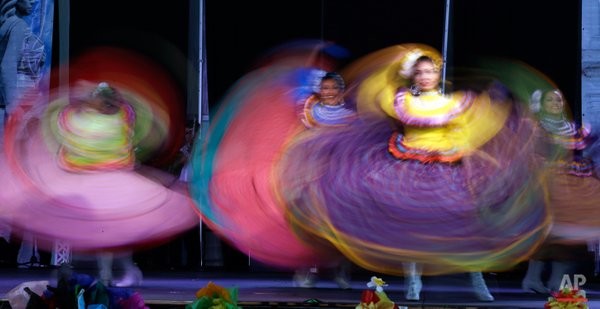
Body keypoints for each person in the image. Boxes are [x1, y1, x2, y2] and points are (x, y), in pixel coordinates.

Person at [276, 45, 548, 302]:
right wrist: (396, 62)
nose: (425, 76)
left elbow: (476, 125)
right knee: (410, 222)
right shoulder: (403, 99)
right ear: (413, 75)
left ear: (438, 74)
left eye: (429, 71)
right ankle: (413, 280)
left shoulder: (453, 102)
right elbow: (375, 94)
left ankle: (476, 279)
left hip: (445, 168)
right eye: (419, 72)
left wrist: (462, 141)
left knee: (464, 223)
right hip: (409, 166)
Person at [521, 88, 598, 293]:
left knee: (565, 236)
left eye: (559, 100)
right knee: (545, 233)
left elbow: (580, 151)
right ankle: (532, 279)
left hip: (568, 187)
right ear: (543, 104)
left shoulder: (572, 128)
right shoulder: (538, 127)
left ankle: (556, 281)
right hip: (545, 185)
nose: (556, 103)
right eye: (550, 100)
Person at [293, 72, 355, 289]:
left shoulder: (350, 116)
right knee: (312, 227)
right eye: (324, 88)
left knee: (341, 230)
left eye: (332, 88)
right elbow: (301, 143)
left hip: (339, 177)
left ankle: (341, 271)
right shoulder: (311, 113)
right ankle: (308, 270)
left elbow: (354, 147)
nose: (328, 92)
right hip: (314, 175)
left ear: (341, 90)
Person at [0, 0, 45, 269]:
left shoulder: (8, 26)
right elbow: (6, 68)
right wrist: (15, 112)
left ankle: (22, 252)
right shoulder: (16, 26)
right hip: (14, 112)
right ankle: (18, 252)